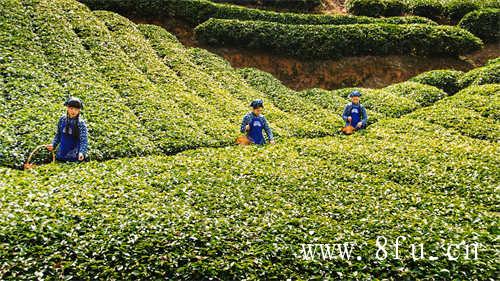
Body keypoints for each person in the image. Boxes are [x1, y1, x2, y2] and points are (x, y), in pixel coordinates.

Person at [46, 97, 89, 162]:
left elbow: (84, 140)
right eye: (71, 108)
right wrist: (53, 144)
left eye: (76, 109)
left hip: (74, 156)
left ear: (79, 110)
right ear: (67, 108)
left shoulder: (81, 123)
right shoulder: (62, 120)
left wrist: (82, 152)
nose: (73, 111)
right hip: (61, 154)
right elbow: (58, 135)